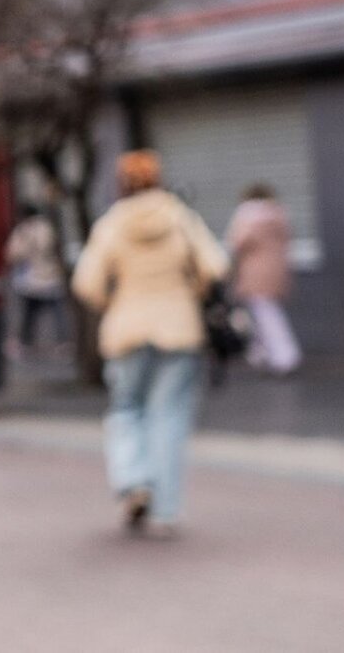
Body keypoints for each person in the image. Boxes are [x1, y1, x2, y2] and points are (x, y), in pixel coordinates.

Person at [72, 150, 229, 539]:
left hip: (127, 328)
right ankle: (166, 511)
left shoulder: (112, 224)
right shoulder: (181, 218)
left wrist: (113, 302)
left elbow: (86, 283)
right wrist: (191, 289)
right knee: (169, 418)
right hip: (179, 327)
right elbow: (216, 265)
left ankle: (134, 480)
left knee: (127, 409)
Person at [226, 183, 300, 375]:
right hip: (276, 271)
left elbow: (237, 243)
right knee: (264, 314)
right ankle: (261, 354)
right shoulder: (278, 214)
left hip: (255, 273)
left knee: (266, 315)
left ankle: (284, 356)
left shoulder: (249, 217)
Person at [4, 206, 67, 352]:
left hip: (35, 277)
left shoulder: (26, 230)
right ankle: (60, 340)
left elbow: (14, 253)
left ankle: (26, 341)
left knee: (31, 313)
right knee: (47, 312)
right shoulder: (46, 227)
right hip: (47, 277)